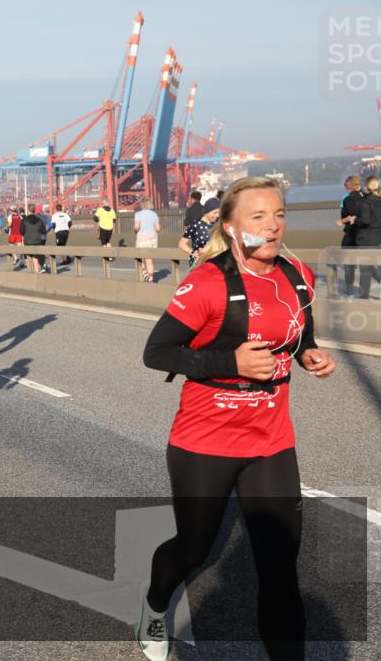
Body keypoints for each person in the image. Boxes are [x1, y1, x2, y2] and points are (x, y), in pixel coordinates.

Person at [139, 176, 335, 661]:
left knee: (280, 566)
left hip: (271, 440)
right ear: (230, 227)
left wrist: (308, 354)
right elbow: (157, 352)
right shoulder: (208, 283)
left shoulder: (297, 275)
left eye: (279, 215)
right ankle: (156, 604)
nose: (273, 226)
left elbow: (299, 333)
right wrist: (231, 363)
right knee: (194, 548)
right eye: (258, 217)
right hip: (205, 441)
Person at [356, 174, 381, 300]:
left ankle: (364, 296)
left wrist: (356, 220)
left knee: (365, 268)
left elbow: (365, 221)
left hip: (369, 239)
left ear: (367, 187)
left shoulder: (366, 202)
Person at [335, 175, 364, 297]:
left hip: (352, 233)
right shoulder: (365, 197)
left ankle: (350, 291)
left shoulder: (348, 199)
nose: (345, 186)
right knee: (367, 263)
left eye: (346, 184)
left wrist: (342, 221)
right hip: (364, 234)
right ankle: (365, 291)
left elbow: (353, 215)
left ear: (351, 185)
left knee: (348, 262)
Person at [179, 196, 220, 265]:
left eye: (219, 213)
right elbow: (182, 244)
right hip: (199, 263)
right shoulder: (195, 224)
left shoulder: (219, 224)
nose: (217, 215)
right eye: (214, 213)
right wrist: (193, 253)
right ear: (207, 211)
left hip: (215, 262)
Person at [133, 200, 161, 282]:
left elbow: (137, 227)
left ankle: (144, 272)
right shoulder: (154, 214)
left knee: (139, 257)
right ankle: (151, 278)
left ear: (142, 205)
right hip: (153, 239)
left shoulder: (138, 214)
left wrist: (134, 230)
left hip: (142, 238)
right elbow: (158, 228)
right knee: (149, 260)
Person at [19, 204, 48, 273]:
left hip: (28, 242)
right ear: (34, 210)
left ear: (28, 210)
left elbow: (21, 231)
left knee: (29, 260)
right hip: (37, 242)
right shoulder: (39, 220)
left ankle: (32, 275)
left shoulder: (24, 220)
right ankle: (37, 273)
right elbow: (43, 232)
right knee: (35, 259)